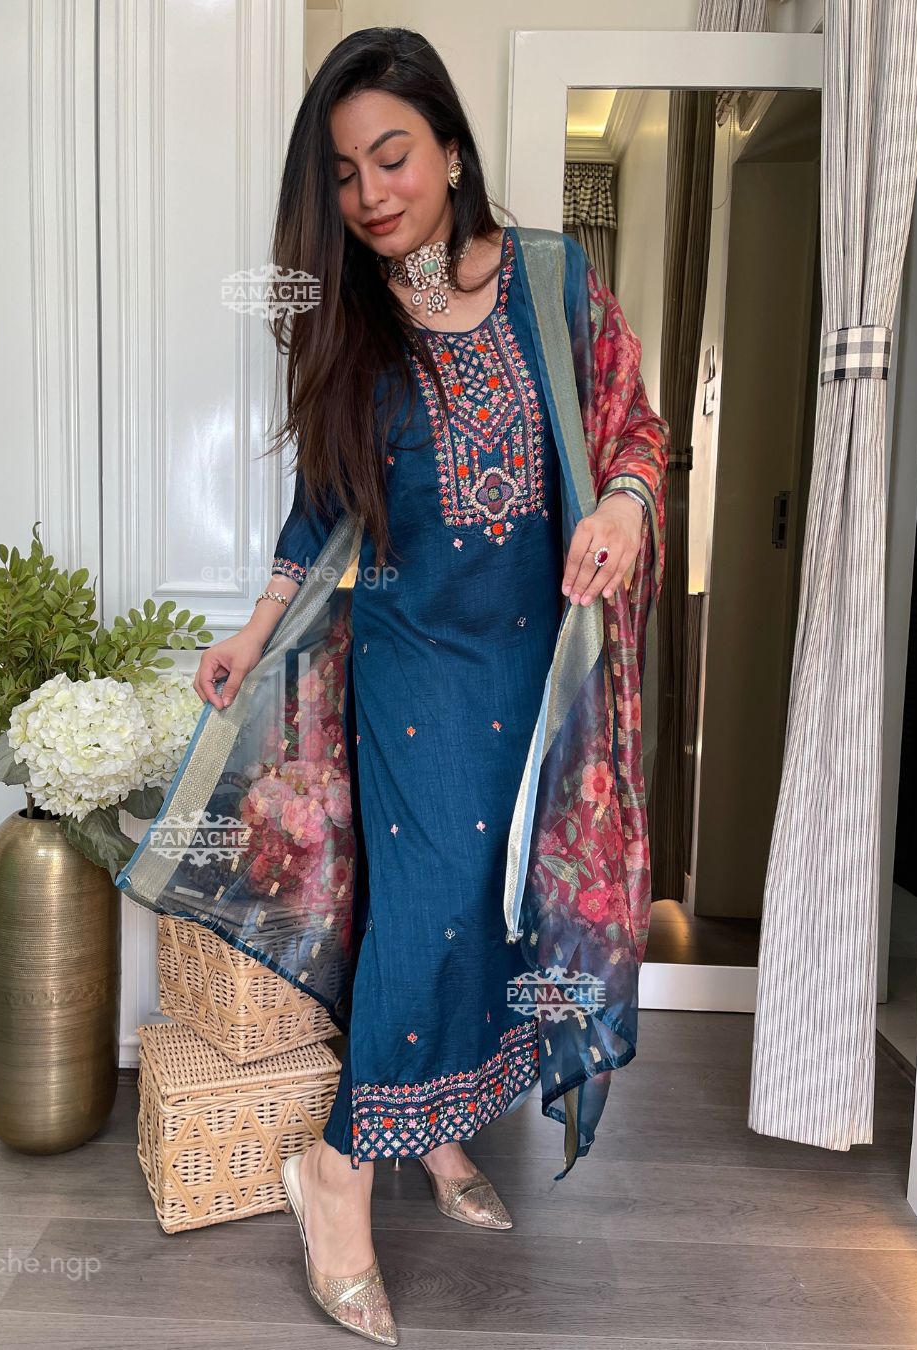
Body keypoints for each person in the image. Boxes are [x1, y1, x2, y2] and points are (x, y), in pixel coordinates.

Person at [184, 27, 667, 1347]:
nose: (369, 192)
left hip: (539, 663)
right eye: (343, 174)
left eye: (391, 156)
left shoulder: (554, 283)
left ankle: (437, 1130)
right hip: (410, 666)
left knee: (503, 911)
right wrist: (256, 629)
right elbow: (318, 509)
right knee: (430, 908)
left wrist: (623, 507)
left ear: (451, 149)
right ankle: (337, 1174)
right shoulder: (354, 327)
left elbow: (633, 426)